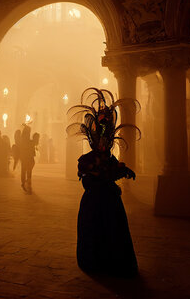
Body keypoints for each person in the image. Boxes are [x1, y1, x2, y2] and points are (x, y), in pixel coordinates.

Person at [67, 87, 139, 276]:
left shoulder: (109, 159)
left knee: (113, 232)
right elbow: (86, 178)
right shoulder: (86, 159)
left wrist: (120, 171)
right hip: (94, 204)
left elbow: (115, 170)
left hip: (110, 204)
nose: (102, 144)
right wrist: (98, 174)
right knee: (94, 232)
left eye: (105, 141)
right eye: (100, 140)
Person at [19, 125, 39, 194]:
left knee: (27, 171)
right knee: (26, 171)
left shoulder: (24, 140)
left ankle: (27, 184)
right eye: (28, 132)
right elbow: (30, 144)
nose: (29, 133)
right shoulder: (24, 140)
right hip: (26, 157)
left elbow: (33, 143)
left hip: (27, 158)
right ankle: (26, 184)